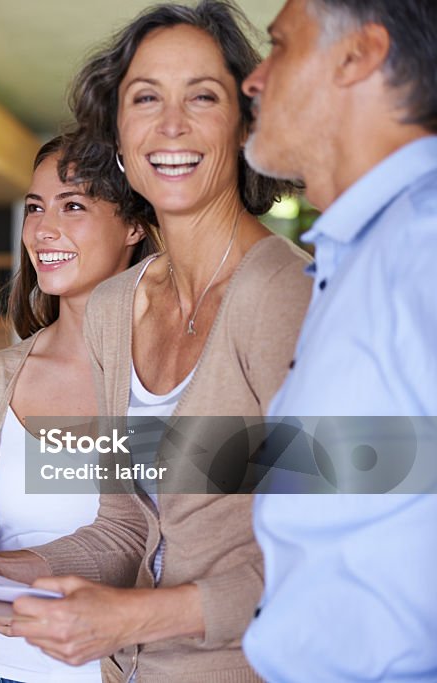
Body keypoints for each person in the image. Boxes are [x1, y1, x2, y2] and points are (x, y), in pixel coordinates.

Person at [0, 2, 313, 681]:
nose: (171, 125)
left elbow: (324, 549)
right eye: (145, 98)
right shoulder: (111, 309)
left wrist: (134, 616)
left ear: (245, 121)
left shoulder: (284, 294)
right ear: (119, 135)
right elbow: (123, 529)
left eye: (203, 96)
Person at [238, 0, 437, 680]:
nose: (253, 78)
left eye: (280, 46)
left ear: (358, 55)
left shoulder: (423, 249)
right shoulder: (353, 259)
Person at [0, 136, 147, 683]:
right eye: (34, 207)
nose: (43, 229)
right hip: (4, 670)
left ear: (134, 225)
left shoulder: (177, 377)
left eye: (74, 205)